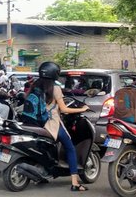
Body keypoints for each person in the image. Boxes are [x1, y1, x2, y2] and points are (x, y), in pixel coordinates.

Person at [28, 61, 90, 192]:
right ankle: (75, 183)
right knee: (70, 148)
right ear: (55, 74)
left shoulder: (35, 85)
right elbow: (64, 109)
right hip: (51, 123)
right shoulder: (55, 88)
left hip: (35, 122)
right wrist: (82, 109)